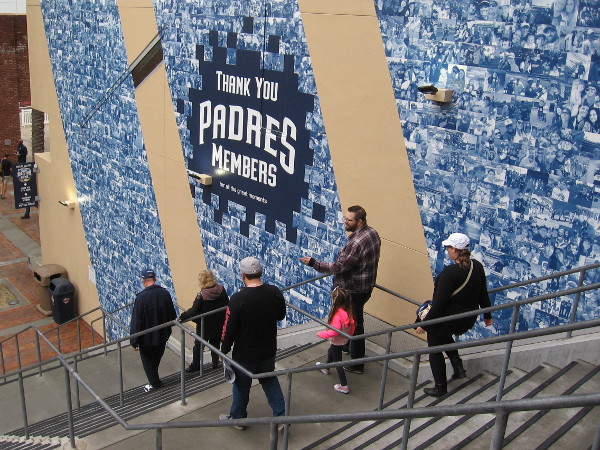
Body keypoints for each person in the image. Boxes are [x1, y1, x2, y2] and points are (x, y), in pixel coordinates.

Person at [300, 205, 381, 374]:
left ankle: (356, 363)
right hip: (365, 287)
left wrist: (315, 263)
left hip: (352, 290)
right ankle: (346, 348)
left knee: (353, 324)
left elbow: (340, 266)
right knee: (353, 321)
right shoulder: (372, 233)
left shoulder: (356, 243)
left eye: (348, 220)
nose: (345, 222)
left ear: (359, 222)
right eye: (344, 218)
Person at [416, 233, 493, 397]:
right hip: (467, 318)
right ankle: (458, 368)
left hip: (449, 318)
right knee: (444, 336)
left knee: (434, 348)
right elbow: (483, 294)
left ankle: (440, 387)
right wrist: (487, 315)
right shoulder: (477, 266)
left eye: (449, 248)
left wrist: (425, 324)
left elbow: (439, 304)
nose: (447, 250)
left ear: (456, 250)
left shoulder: (450, 273)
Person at [219, 257, 286, 429]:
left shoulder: (237, 299)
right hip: (268, 348)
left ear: (243, 275)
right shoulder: (274, 292)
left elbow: (229, 329)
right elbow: (280, 315)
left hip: (245, 352)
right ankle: (281, 418)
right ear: (261, 272)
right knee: (269, 379)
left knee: (241, 386)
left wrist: (223, 350)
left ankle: (238, 418)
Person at [130, 268, 177, 392]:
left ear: (143, 280)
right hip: (162, 335)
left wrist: (134, 340)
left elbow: (136, 320)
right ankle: (154, 380)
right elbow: (172, 315)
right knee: (155, 358)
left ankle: (155, 383)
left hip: (146, 338)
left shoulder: (141, 298)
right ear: (155, 279)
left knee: (147, 362)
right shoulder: (165, 293)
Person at [179, 269, 228, 372]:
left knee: (199, 345)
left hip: (205, 324)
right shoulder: (221, 289)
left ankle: (195, 365)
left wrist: (182, 316)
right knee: (215, 343)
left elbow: (193, 310)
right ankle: (215, 363)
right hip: (218, 323)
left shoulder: (202, 295)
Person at [316, 287, 356, 394]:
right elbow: (353, 327)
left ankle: (344, 385)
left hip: (337, 340)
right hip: (343, 339)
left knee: (338, 362)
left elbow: (334, 331)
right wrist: (349, 335)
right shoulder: (348, 312)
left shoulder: (338, 315)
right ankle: (326, 367)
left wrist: (322, 334)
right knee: (331, 352)